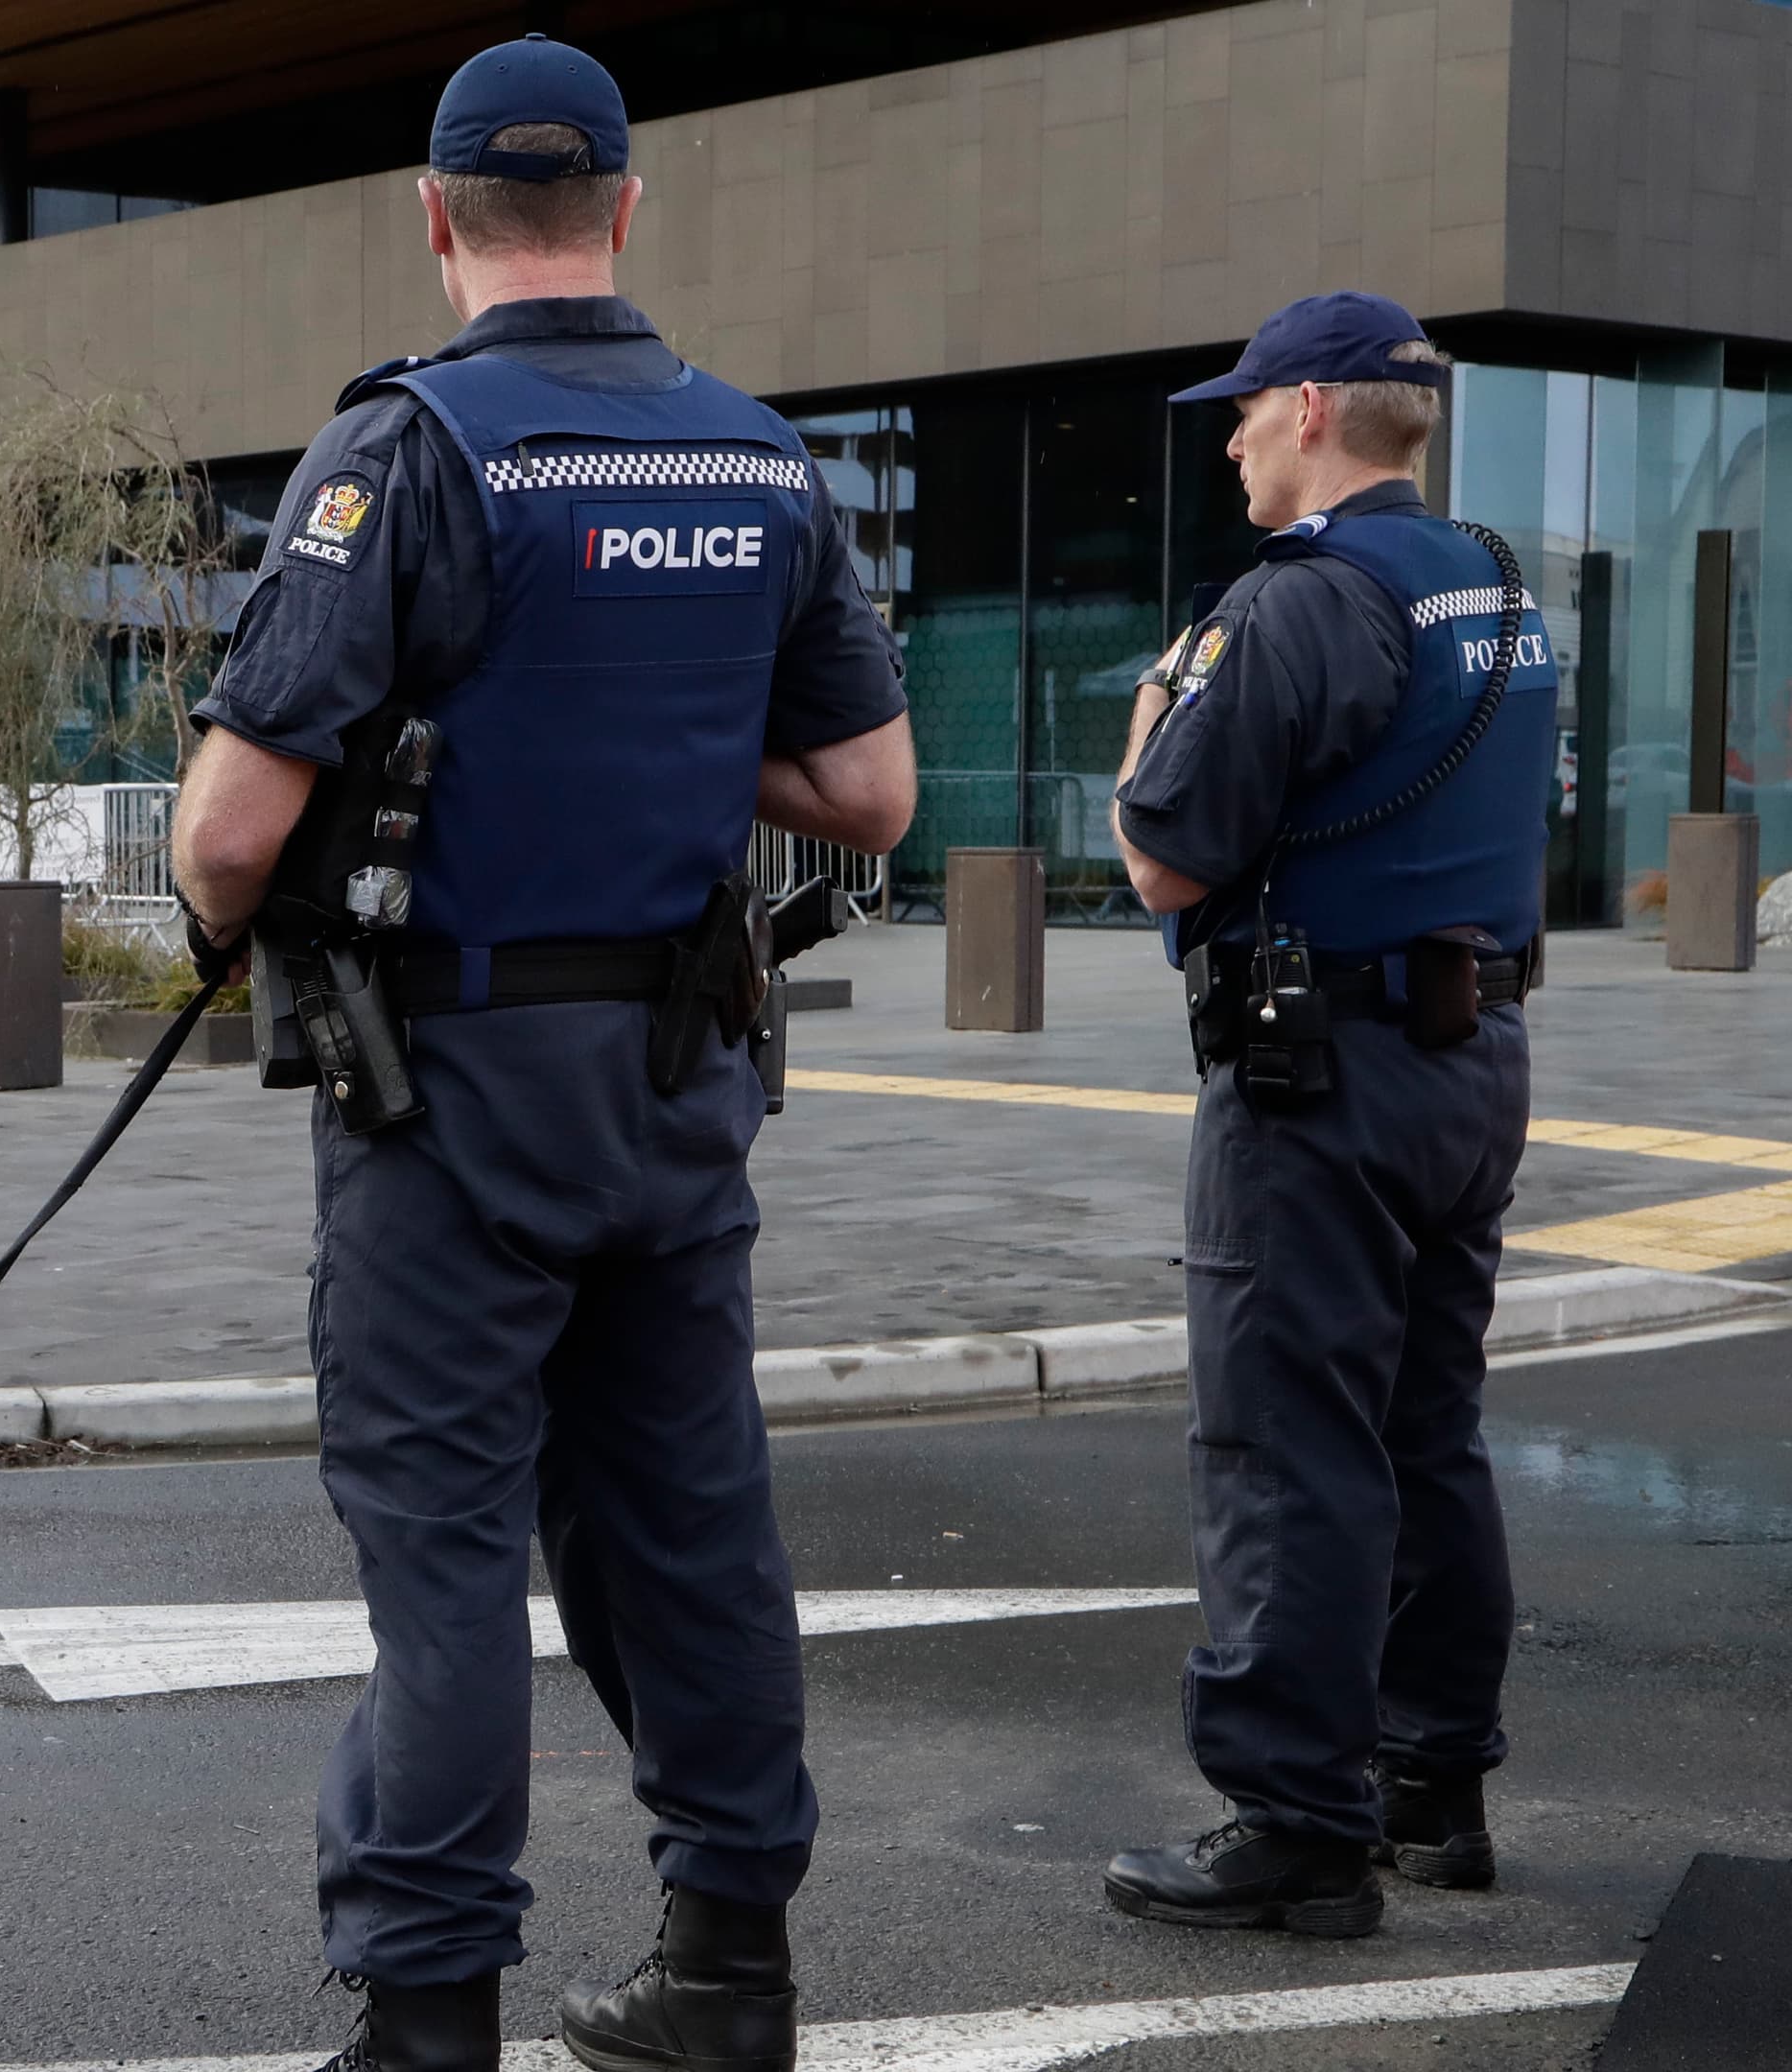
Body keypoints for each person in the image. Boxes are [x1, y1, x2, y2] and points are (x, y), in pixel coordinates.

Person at [166, 36, 915, 2072]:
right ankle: (728, 1973)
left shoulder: (406, 453)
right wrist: (657, 735)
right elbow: (869, 790)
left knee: (442, 1563)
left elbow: (231, 832)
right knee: (690, 1533)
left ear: (433, 218)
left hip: (450, 1101)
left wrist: (239, 923)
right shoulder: (767, 460)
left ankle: (428, 2019)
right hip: (675, 1095)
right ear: (625, 211)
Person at [1101, 294, 1558, 1938]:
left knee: (1291, 1444)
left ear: (1308, 409)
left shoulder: (1293, 606)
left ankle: (1297, 1821)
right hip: (1472, 1061)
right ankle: (1436, 1787)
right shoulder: (1499, 583)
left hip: (1321, 1082)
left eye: (1239, 412)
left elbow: (1164, 851)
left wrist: (1151, 718)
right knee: (1428, 1429)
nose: (1226, 440)